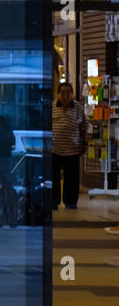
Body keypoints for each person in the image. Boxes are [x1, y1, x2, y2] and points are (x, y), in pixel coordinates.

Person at [52, 82, 88, 211]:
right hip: (54, 149)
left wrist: (84, 143)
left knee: (72, 179)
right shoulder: (52, 106)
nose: (66, 95)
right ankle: (53, 201)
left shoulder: (78, 107)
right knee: (53, 178)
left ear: (72, 94)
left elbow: (84, 126)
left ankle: (71, 202)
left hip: (73, 149)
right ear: (59, 93)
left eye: (68, 92)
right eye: (63, 92)